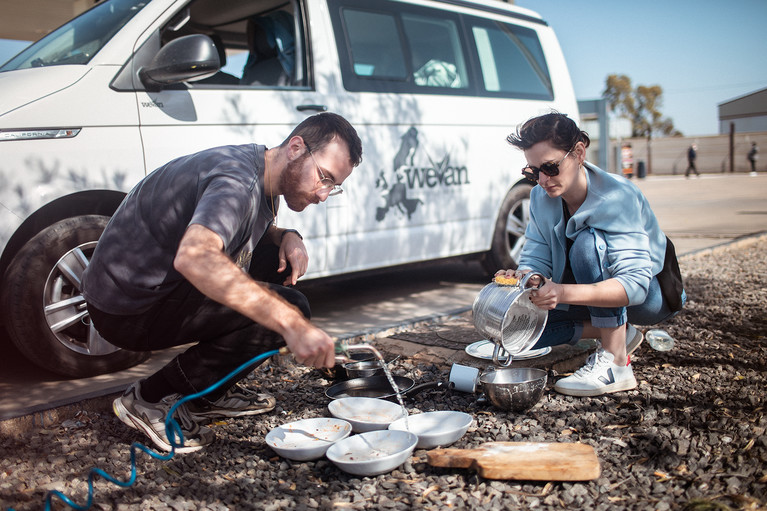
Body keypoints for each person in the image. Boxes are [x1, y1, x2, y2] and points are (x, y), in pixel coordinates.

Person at [82, 112, 363, 452]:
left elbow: (234, 227)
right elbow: (196, 257)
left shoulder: (261, 169)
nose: (322, 195)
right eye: (324, 178)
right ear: (296, 148)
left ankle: (209, 393)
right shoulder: (236, 181)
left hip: (150, 285)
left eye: (333, 187)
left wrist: (285, 235)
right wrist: (292, 324)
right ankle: (149, 398)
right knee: (290, 310)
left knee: (275, 268)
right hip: (128, 306)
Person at [497, 112, 685, 397]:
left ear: (579, 152)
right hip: (592, 295)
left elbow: (635, 286)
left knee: (587, 245)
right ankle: (619, 331)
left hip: (651, 298)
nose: (543, 180)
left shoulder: (617, 197)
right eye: (533, 172)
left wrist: (560, 293)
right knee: (517, 335)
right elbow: (536, 258)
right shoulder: (539, 197)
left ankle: (616, 363)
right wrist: (524, 280)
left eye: (550, 167)